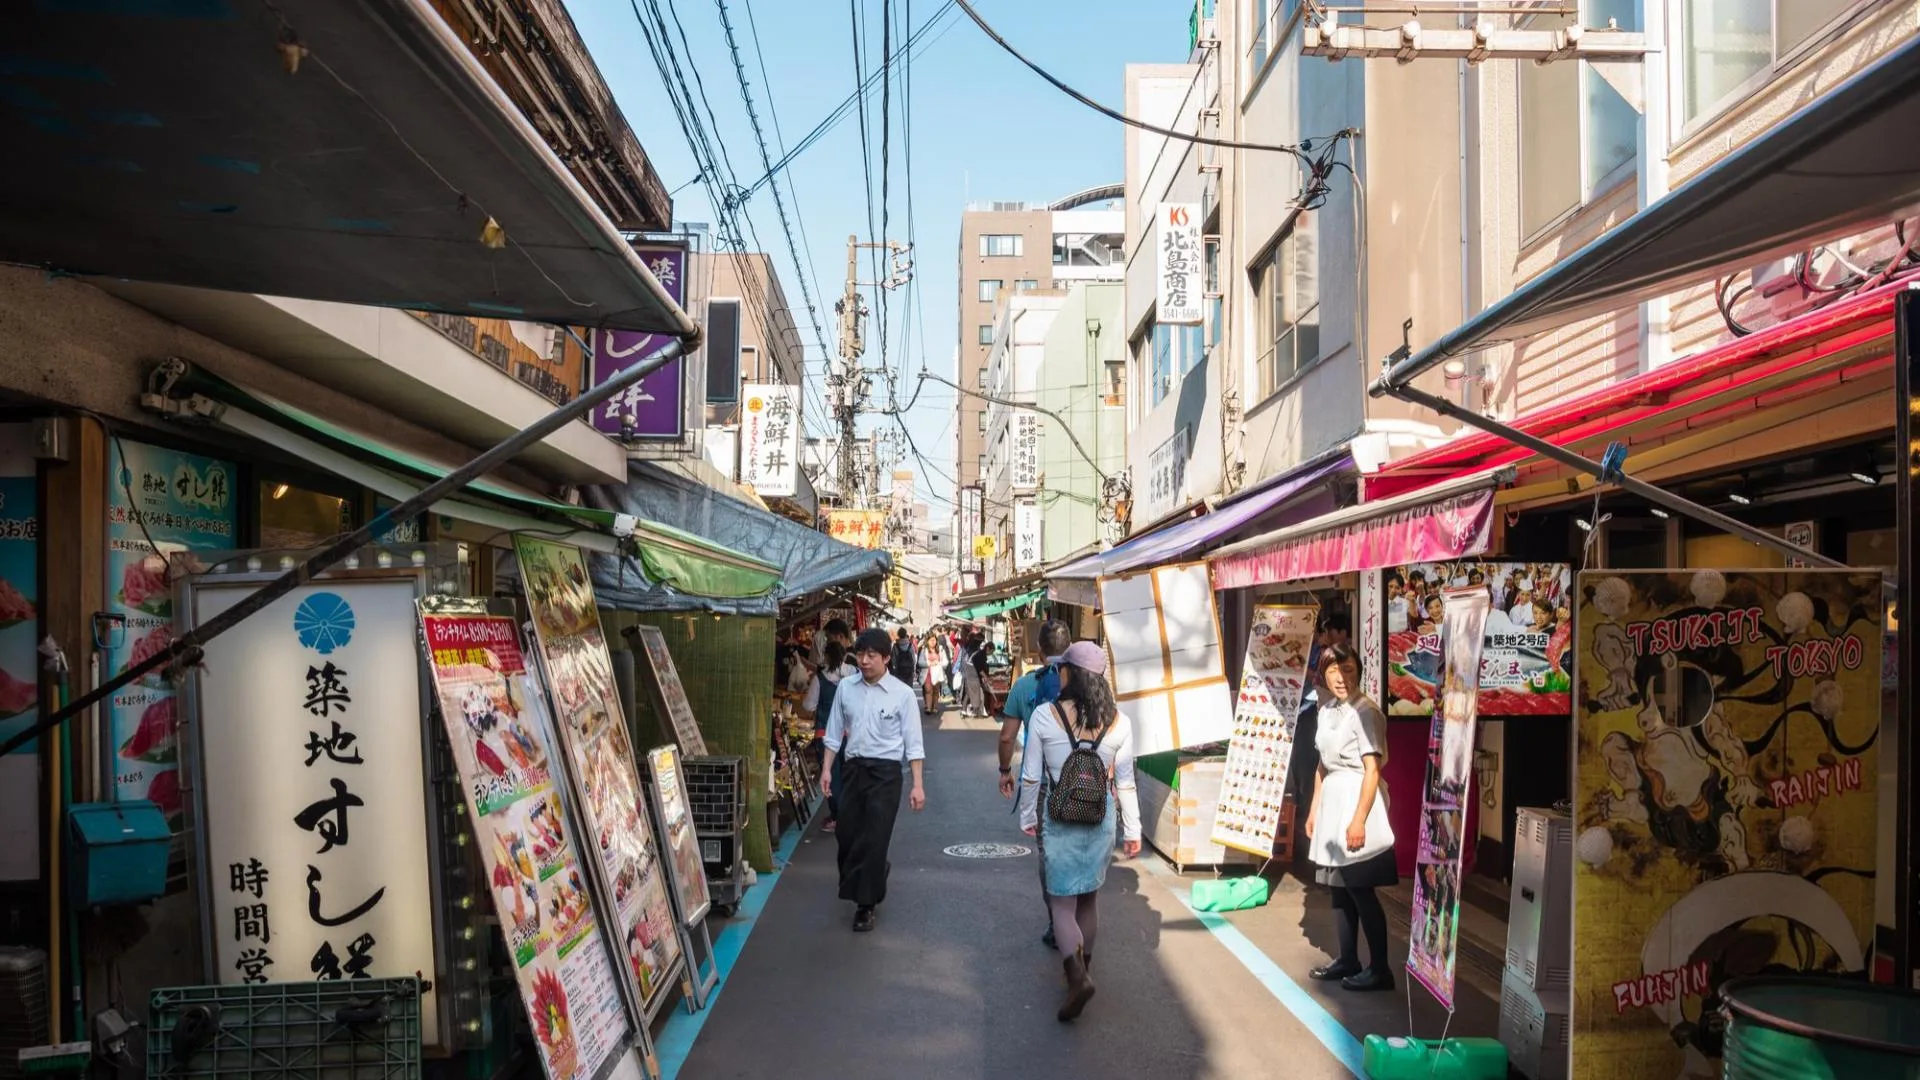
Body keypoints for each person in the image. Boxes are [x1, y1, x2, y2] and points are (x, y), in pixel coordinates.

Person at [1017, 640, 1140, 1022]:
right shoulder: (1120, 722)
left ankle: (1077, 978)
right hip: (1100, 818)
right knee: (1088, 899)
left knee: (1061, 904)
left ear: (1067, 673)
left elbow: (1032, 775)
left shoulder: (1044, 716)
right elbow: (1125, 782)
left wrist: (1027, 816)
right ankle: (1083, 970)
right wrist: (1133, 829)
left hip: (1060, 816)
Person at [1305, 642, 1399, 992]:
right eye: (1333, 670)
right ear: (1324, 673)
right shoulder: (1327, 709)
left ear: (1358, 671)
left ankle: (1379, 968)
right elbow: (1321, 764)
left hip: (1358, 798)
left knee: (1360, 888)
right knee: (1339, 889)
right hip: (1333, 800)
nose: (1341, 677)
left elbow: (1372, 770)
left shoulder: (1366, 711)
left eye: (1347, 670)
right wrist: (1314, 808)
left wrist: (1359, 819)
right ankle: (1348, 959)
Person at [820, 628, 927, 932]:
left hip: (886, 775)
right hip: (852, 770)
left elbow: (914, 743)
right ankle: (876, 871)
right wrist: (827, 769)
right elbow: (833, 733)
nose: (864, 661)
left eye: (871, 656)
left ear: (886, 658)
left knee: (875, 837)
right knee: (848, 836)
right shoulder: (846, 688)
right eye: (861, 655)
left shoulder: (903, 695)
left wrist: (918, 785)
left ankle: (865, 906)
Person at [999, 619, 1072, 948]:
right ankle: (1077, 919)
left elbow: (1007, 737)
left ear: (1038, 650)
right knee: (1079, 848)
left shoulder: (1026, 687)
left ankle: (1058, 921)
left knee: (1048, 852)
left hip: (1044, 782)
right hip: (1086, 781)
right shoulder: (1088, 683)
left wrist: (1004, 770)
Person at [803, 641, 857, 831]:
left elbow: (808, 705)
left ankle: (838, 817)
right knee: (848, 775)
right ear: (843, 656)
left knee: (831, 777)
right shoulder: (852, 673)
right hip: (850, 734)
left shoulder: (820, 679)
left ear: (826, 656)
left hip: (825, 734)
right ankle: (848, 815)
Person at [959, 632, 989, 717]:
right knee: (977, 693)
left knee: (969, 693)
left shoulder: (967, 648)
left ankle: (964, 710)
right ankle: (975, 711)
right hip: (974, 674)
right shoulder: (977, 651)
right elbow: (979, 666)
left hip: (967, 673)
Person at [922, 634, 948, 714]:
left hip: (938, 673)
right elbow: (921, 662)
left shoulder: (940, 649)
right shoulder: (924, 650)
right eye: (931, 640)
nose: (933, 642)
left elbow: (945, 661)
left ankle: (935, 707)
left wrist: (939, 663)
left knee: (936, 690)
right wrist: (930, 663)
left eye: (934, 640)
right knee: (928, 690)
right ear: (928, 641)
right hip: (928, 673)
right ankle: (929, 708)